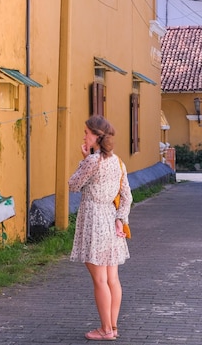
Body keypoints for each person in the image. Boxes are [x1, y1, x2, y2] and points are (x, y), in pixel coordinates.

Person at [68, 115, 132, 341]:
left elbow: (73, 184)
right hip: (110, 220)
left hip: (93, 220)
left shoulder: (92, 162)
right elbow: (127, 197)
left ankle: (105, 330)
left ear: (96, 137)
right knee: (112, 279)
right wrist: (119, 218)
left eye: (87, 132)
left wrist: (83, 159)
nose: (84, 135)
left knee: (100, 280)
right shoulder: (118, 162)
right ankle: (112, 327)